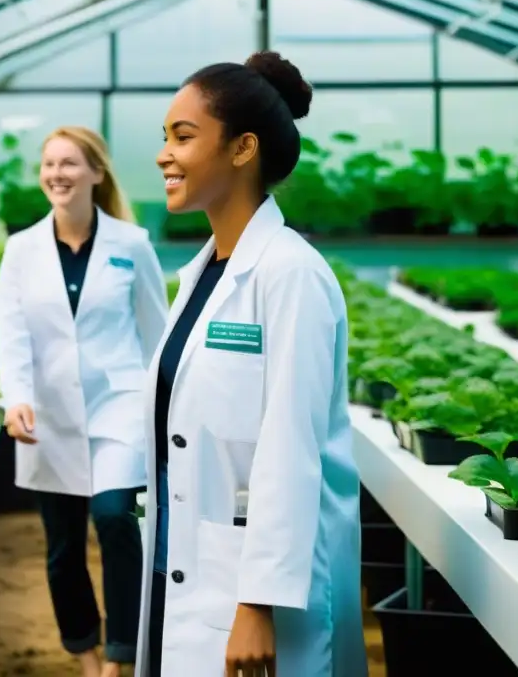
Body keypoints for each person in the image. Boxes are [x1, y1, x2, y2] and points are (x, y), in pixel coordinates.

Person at [136, 52, 368, 677]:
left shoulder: (290, 274)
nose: (164, 154)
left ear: (242, 149)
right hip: (180, 565)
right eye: (165, 137)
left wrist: (256, 604)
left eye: (183, 137)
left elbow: (291, 449)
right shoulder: (206, 273)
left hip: (249, 592)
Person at [0, 126, 168, 677]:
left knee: (115, 517)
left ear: (97, 172)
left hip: (119, 406)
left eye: (70, 164)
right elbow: (12, 332)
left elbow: (158, 334)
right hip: (49, 415)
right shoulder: (21, 249)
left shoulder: (131, 245)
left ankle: (122, 655)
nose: (57, 174)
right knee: (63, 547)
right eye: (49, 164)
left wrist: (163, 412)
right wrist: (16, 397)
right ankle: (88, 660)